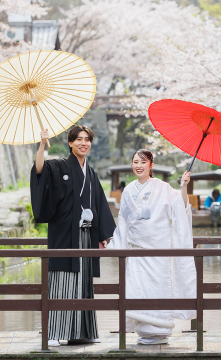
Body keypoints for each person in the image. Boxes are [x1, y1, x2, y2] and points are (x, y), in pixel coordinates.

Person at [30, 126, 116, 348]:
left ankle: (82, 332)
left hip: (86, 235)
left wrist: (103, 234)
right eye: (78, 139)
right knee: (62, 281)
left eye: (87, 140)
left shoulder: (92, 172)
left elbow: (99, 203)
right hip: (64, 234)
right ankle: (54, 332)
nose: (83, 143)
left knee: (83, 283)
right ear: (70, 143)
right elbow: (39, 171)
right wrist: (41, 145)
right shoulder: (59, 166)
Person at [107, 150, 196, 345]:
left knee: (157, 289)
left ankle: (160, 330)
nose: (138, 166)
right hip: (137, 252)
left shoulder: (164, 188)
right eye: (135, 162)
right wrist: (114, 244)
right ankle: (144, 331)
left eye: (143, 162)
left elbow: (179, 210)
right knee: (138, 289)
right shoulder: (128, 190)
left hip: (159, 252)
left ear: (151, 165)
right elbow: (123, 221)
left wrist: (183, 187)